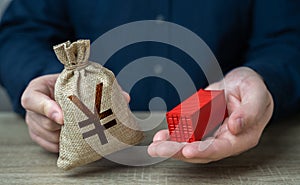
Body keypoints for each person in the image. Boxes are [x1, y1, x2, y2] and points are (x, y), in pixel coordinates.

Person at [0, 0, 299, 163]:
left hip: (233, 151)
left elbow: (287, 38)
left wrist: (263, 78)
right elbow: (20, 34)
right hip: (99, 165)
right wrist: (47, 87)